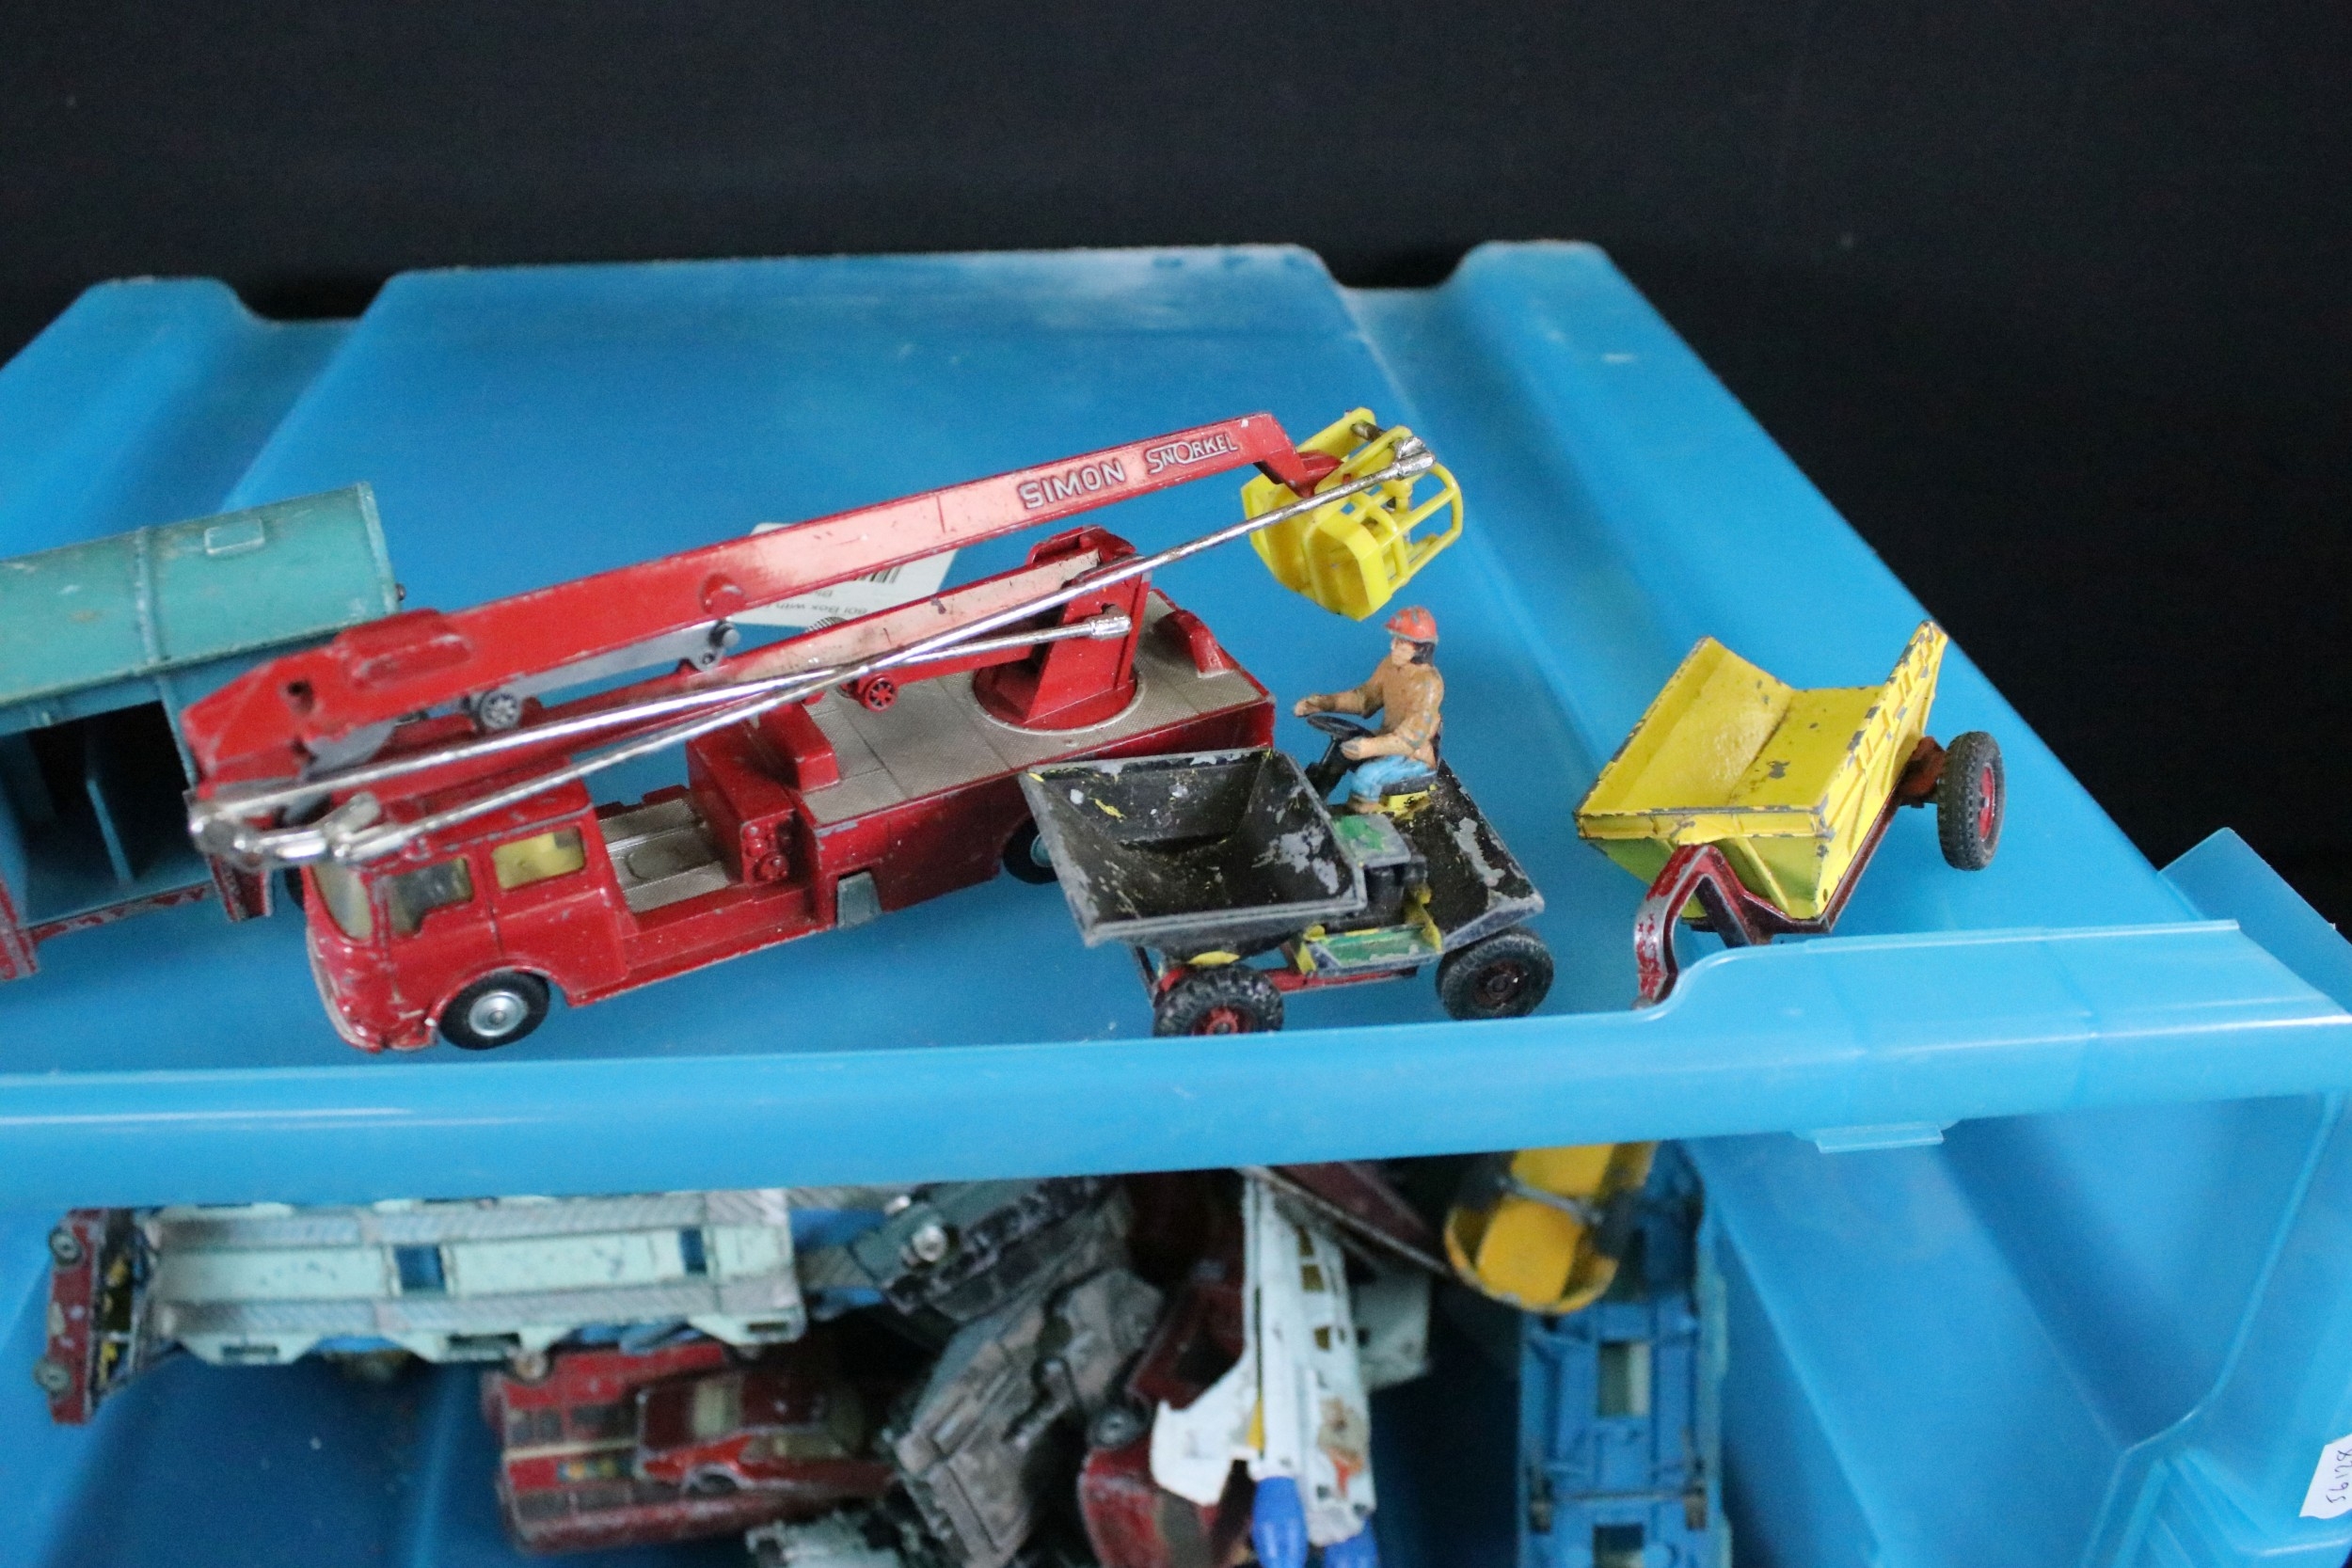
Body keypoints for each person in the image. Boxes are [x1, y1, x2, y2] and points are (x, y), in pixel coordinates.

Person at [1292, 606, 1443, 811]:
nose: (1392, 646)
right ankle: (1310, 806)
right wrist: (1323, 703)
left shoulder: (1428, 684)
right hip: (1386, 739)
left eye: (1401, 642)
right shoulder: (1390, 666)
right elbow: (1364, 699)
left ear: (1420, 648)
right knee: (1338, 753)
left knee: (1367, 776)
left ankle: (1359, 819)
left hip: (1413, 756)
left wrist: (1369, 748)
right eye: (1394, 639)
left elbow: (1411, 739)